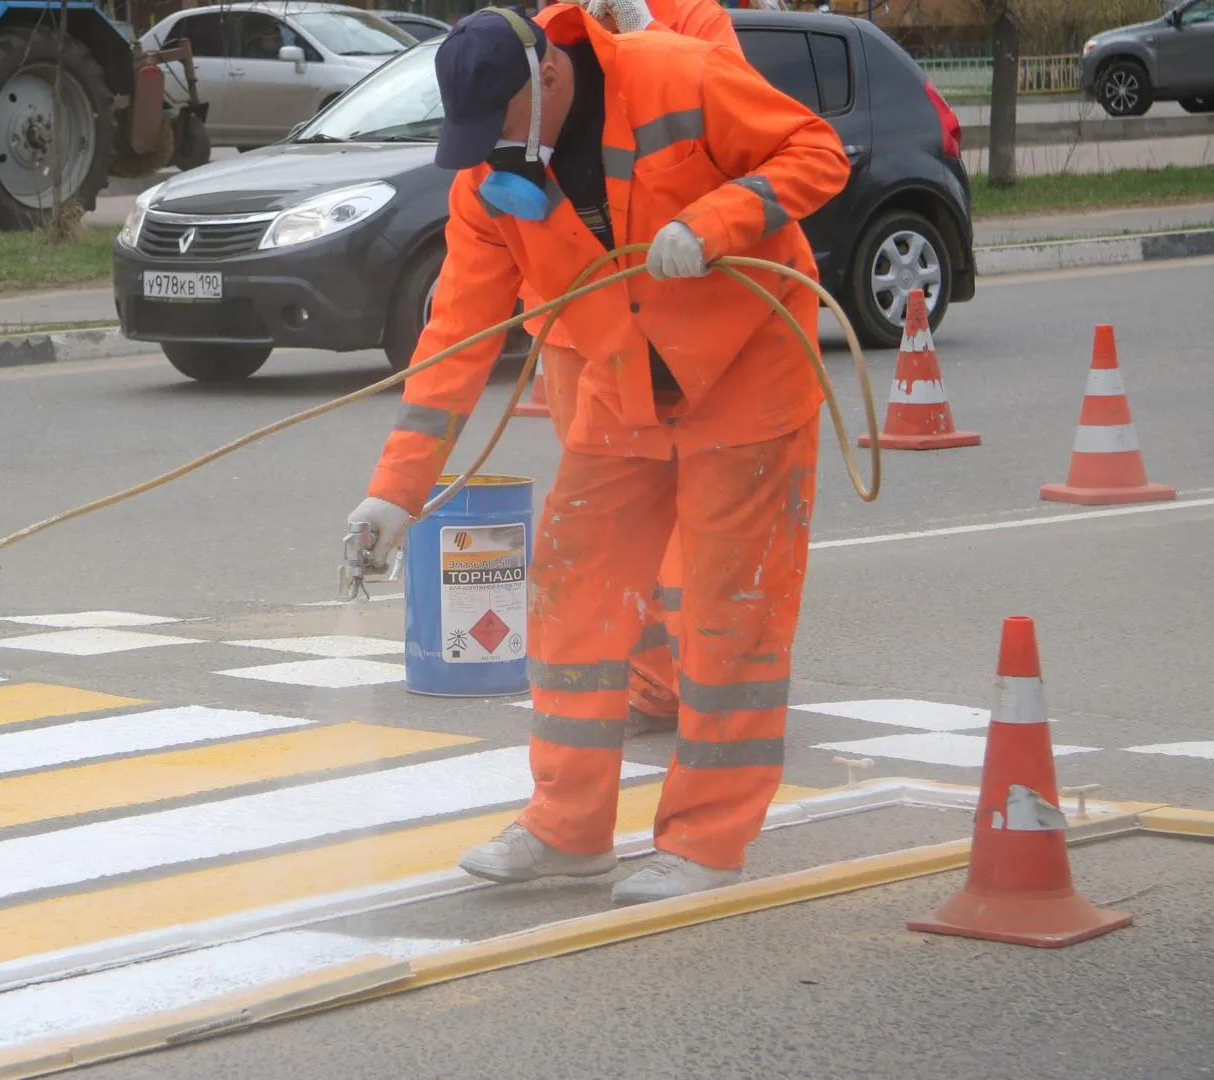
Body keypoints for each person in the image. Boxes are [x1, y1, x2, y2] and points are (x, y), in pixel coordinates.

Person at [344, 3, 849, 905]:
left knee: (731, 620)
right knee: (573, 595)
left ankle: (707, 842)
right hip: (624, 391)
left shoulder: (674, 77)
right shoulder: (489, 184)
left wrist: (719, 222)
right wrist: (394, 495)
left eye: (498, 123)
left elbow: (815, 152)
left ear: (548, 79)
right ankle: (568, 828)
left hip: (748, 375)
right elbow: (455, 339)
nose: (492, 149)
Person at [534, 0, 742, 743]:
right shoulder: (555, 21)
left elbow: (732, 105)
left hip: (674, 314)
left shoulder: (695, 19)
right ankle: (656, 681)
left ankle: (709, 682)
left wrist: (643, 32)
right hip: (575, 320)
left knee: (687, 523)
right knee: (610, 513)